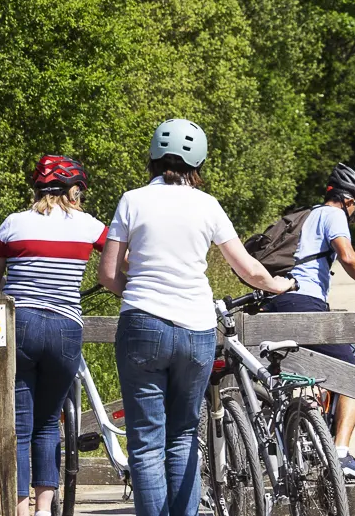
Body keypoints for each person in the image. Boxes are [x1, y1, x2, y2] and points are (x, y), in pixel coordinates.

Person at [97, 118, 294, 516]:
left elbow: (107, 273)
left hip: (143, 326)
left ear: (152, 158)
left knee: (146, 441)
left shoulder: (132, 200)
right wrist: (280, 285)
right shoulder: (208, 206)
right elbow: (249, 269)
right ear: (198, 162)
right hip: (197, 330)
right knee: (184, 435)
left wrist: (135, 293)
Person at [0, 155, 106, 516]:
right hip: (66, 328)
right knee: (49, 421)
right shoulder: (89, 226)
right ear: (73, 190)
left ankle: (20, 509)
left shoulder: (13, 225)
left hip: (21, 325)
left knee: (20, 423)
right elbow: (119, 259)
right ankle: (43, 509)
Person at [259, 162, 355, 483]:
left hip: (275, 303)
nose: (354, 215)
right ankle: (341, 455)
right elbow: (347, 257)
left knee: (314, 371)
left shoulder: (305, 215)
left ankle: (308, 434)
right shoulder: (333, 215)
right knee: (352, 376)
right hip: (302, 304)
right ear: (349, 201)